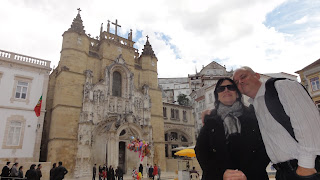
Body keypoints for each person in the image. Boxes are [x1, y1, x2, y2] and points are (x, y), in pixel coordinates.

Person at [233, 66, 320, 180]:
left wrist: (306, 165)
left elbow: (310, 125)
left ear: (257, 75)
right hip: (283, 172)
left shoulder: (283, 87)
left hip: (306, 168)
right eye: (236, 82)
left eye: (243, 76)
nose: (240, 82)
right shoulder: (255, 107)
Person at [195, 77, 270, 180]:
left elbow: (265, 147)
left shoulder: (253, 116)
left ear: (238, 93)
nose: (226, 90)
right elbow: (201, 151)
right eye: (221, 89)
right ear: (217, 96)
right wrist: (221, 173)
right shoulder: (210, 120)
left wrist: (247, 173)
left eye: (230, 87)